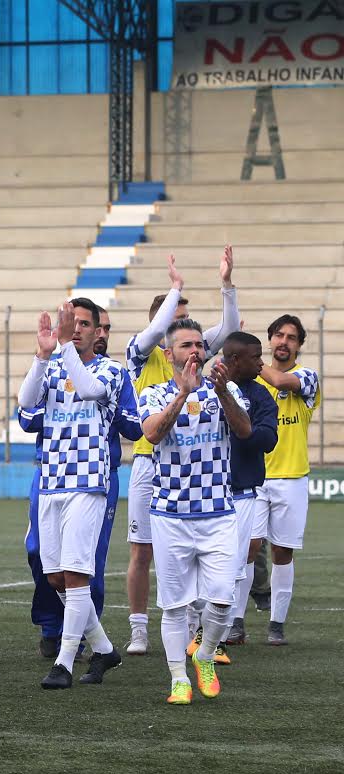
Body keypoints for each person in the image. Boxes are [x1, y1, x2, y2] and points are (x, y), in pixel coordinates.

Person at [123, 249, 239, 654]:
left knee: (188, 553)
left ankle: (195, 634)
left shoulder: (194, 349)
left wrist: (227, 285)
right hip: (147, 459)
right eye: (176, 322)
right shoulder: (140, 352)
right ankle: (139, 628)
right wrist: (175, 290)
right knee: (142, 551)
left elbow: (230, 328)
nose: (190, 335)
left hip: (194, 464)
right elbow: (156, 331)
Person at [16, 301, 135, 689]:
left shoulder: (112, 371)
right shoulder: (52, 367)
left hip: (89, 483)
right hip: (51, 482)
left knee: (76, 573)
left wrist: (64, 347)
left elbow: (87, 389)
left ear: (98, 331)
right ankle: (103, 648)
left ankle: (64, 663)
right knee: (55, 578)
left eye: (84, 324)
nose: (77, 329)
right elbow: (25, 405)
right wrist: (42, 354)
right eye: (73, 323)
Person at [140, 317, 254, 704]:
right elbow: (152, 433)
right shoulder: (154, 393)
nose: (195, 351)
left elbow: (244, 431)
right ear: (168, 353)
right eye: (186, 345)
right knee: (174, 605)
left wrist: (220, 392)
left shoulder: (227, 388)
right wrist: (181, 395)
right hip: (170, 515)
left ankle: (204, 657)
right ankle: (178, 679)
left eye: (199, 345)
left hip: (219, 512)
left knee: (222, 598)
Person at [255, 313, 321, 646]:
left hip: (292, 478)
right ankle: (234, 623)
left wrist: (246, 360)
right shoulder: (251, 382)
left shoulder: (307, 377)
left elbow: (282, 383)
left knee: (282, 553)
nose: (283, 341)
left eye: (291, 337)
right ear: (270, 340)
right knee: (246, 550)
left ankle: (276, 624)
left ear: (299, 345)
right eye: (278, 335)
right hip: (253, 477)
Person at [218, 332, 278, 648]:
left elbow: (267, 440)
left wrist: (244, 431)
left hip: (243, 490)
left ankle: (233, 623)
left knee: (241, 560)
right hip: (207, 493)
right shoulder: (205, 388)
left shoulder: (261, 396)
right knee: (205, 563)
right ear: (236, 359)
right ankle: (198, 628)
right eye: (256, 357)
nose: (261, 363)